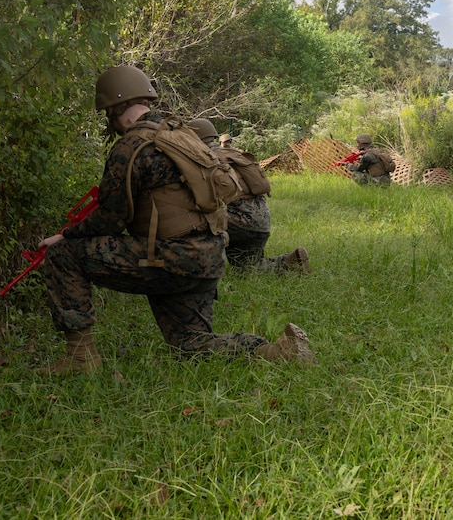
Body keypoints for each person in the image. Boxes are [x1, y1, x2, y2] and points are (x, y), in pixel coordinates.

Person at [35, 65, 313, 375]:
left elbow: (110, 220)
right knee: (188, 344)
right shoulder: (182, 133)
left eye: (108, 113)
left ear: (114, 107)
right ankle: (276, 352)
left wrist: (67, 235)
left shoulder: (130, 146)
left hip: (170, 258)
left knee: (63, 256)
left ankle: (80, 360)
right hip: (209, 254)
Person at [187, 118, 309, 274]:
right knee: (247, 268)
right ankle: (291, 262)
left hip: (239, 220)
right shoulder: (232, 153)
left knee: (188, 219)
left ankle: (197, 271)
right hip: (260, 222)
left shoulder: (205, 159)